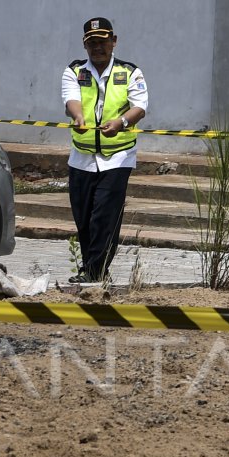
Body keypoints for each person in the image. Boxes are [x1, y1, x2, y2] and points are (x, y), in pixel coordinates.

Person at [61, 16, 149, 283]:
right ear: (85, 45)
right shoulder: (74, 71)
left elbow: (140, 107)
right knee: (84, 217)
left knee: (104, 216)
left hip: (117, 157)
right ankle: (92, 267)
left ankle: (95, 272)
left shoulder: (130, 72)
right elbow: (71, 100)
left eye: (103, 42)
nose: (98, 47)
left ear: (114, 42)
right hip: (82, 158)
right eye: (92, 43)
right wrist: (78, 118)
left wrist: (122, 122)